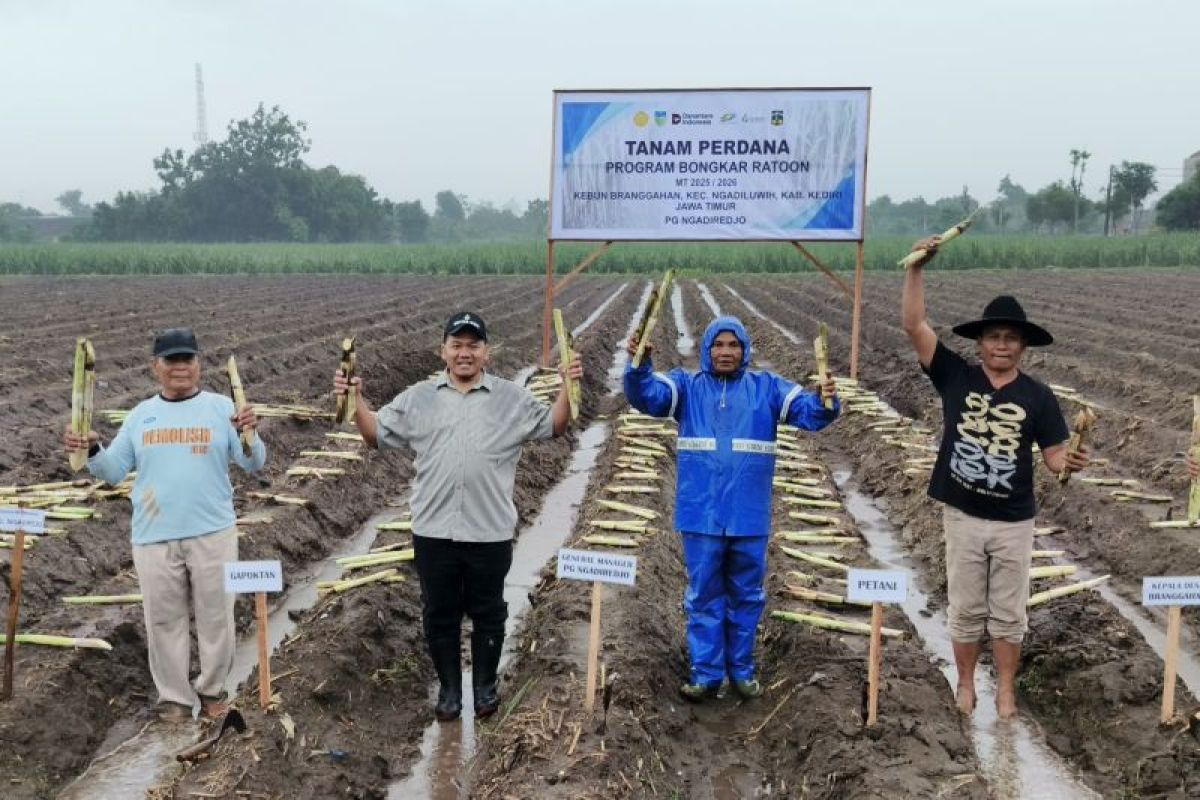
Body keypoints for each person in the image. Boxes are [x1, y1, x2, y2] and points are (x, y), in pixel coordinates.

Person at [334, 311, 581, 722]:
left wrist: (569, 386)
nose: (465, 353)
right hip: (434, 530)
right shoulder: (419, 397)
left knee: (488, 611)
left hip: (489, 530)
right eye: (457, 345)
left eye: (473, 345)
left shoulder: (509, 398)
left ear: (487, 352)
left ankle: (484, 688)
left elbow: (554, 425)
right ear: (443, 351)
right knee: (439, 612)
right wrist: (353, 399)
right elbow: (376, 433)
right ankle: (450, 690)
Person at [901, 237, 1088, 720]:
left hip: (1013, 520)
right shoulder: (954, 376)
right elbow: (914, 324)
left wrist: (1069, 463)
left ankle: (1005, 690)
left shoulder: (1039, 397)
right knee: (965, 608)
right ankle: (965, 684)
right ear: (979, 342)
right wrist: (916, 268)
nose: (1002, 345)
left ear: (1023, 346)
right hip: (963, 514)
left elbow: (1052, 457)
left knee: (1009, 613)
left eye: (1011, 338)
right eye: (994, 337)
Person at [623, 316, 839, 702]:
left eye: (733, 345)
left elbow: (808, 412)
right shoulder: (687, 386)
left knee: (746, 594)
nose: (726, 352)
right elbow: (648, 397)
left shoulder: (766, 388)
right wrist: (639, 367)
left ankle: (741, 670)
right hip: (701, 513)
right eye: (719, 345)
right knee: (704, 594)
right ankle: (706, 674)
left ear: (745, 350)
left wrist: (825, 398)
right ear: (707, 350)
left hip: (748, 514)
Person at [63, 327, 266, 722]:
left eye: (186, 359)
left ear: (198, 364)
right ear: (155, 367)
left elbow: (254, 462)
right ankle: (173, 699)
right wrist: (90, 448)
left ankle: (212, 693)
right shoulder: (142, 416)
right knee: (163, 620)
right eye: (171, 360)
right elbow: (113, 470)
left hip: (213, 532)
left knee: (216, 617)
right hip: (154, 536)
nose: (179, 368)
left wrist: (249, 433)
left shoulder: (222, 408)